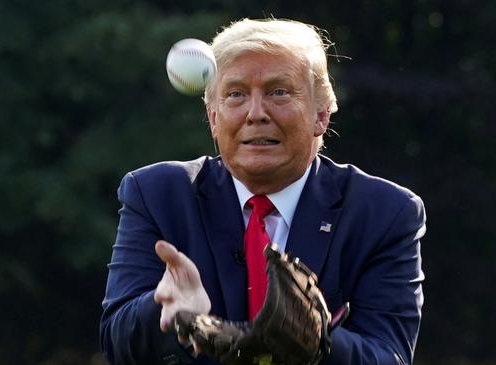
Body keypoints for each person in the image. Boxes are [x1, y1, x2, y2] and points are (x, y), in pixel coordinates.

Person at [100, 17, 426, 365]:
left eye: (278, 92)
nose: (256, 113)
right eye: (236, 94)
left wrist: (318, 342)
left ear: (321, 115)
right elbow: (117, 344)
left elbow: (389, 356)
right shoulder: (156, 195)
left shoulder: (385, 213)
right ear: (213, 118)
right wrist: (161, 308)